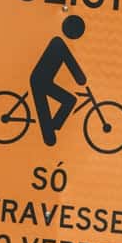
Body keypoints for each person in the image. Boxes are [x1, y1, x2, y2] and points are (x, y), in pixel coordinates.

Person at [29, 15, 88, 147]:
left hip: (43, 80)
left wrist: (80, 79)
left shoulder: (60, 43)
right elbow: (71, 64)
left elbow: (71, 64)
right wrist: (81, 79)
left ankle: (52, 128)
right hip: (39, 80)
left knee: (65, 101)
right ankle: (52, 127)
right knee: (67, 101)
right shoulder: (59, 43)